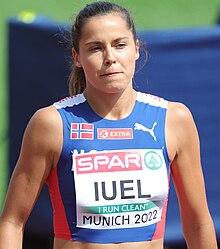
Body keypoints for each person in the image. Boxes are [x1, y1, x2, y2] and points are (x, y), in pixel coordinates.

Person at [0, 1, 218, 249]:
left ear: (136, 49)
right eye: (95, 48)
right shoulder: (52, 124)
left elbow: (198, 223)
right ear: (77, 57)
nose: (110, 58)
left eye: (120, 45)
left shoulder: (174, 119)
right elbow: (12, 222)